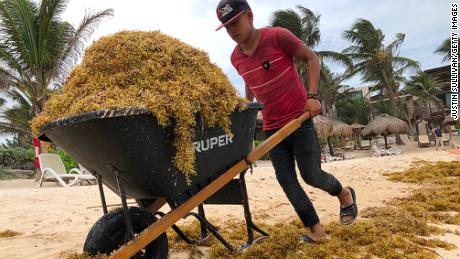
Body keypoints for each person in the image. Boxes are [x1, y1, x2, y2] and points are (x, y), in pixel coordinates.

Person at [215, 0, 358, 243]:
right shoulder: (235, 58)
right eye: (226, 27)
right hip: (272, 129)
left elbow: (311, 58)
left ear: (249, 16)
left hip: (298, 120)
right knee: (286, 181)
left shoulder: (278, 37)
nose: (232, 31)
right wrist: (248, 107)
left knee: (311, 174)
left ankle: (344, 194)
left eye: (235, 23)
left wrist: (312, 97)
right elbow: (249, 78)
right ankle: (317, 230)